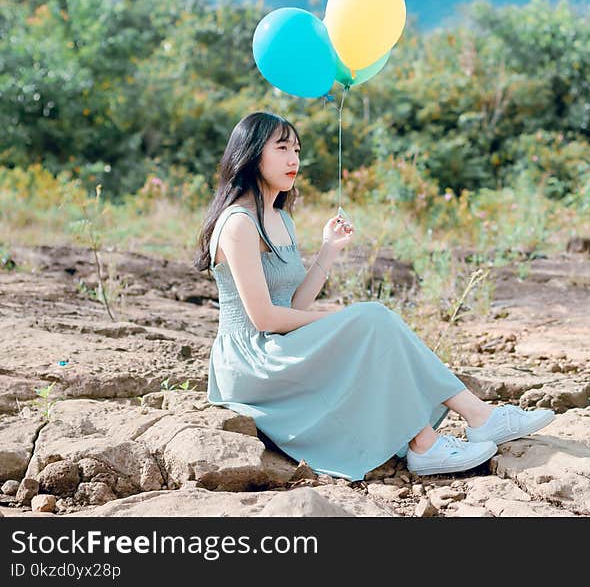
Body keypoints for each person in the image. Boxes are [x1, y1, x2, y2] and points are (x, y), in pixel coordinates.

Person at [193, 111, 555, 481]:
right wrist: (341, 320)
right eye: (282, 148)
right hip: (251, 360)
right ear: (252, 153)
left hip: (278, 346)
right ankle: (459, 428)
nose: (294, 160)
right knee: (370, 318)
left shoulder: (281, 219)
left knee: (371, 321)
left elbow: (294, 307)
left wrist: (328, 250)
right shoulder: (238, 222)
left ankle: (448, 431)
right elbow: (265, 319)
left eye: (297, 150)